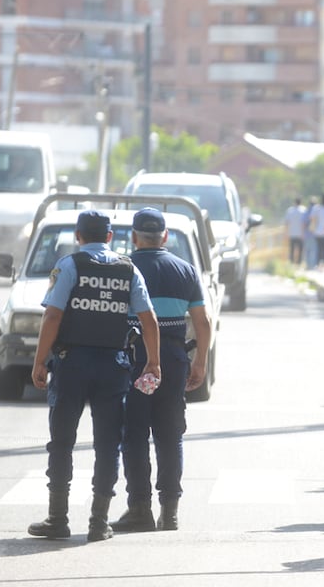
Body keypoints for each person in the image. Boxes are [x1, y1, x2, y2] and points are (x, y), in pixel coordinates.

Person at [27, 210, 160, 542]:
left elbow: (53, 316)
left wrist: (39, 360)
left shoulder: (70, 266)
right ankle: (99, 523)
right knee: (107, 444)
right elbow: (149, 320)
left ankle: (57, 520)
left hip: (71, 365)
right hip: (112, 366)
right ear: (111, 237)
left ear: (78, 235)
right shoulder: (129, 270)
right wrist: (153, 363)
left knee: (61, 442)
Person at [111, 208, 212, 533]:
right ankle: (170, 511)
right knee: (170, 435)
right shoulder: (185, 270)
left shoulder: (124, 269)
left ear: (135, 237)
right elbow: (203, 322)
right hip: (172, 357)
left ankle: (139, 508)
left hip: (134, 356)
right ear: (165, 237)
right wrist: (201, 362)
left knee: (135, 434)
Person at [284, 198, 308, 265]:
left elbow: (287, 223)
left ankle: (291, 263)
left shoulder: (290, 210)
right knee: (300, 249)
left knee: (292, 249)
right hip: (301, 233)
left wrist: (286, 233)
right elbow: (304, 223)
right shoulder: (303, 210)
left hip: (292, 233)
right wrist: (304, 233)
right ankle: (299, 263)